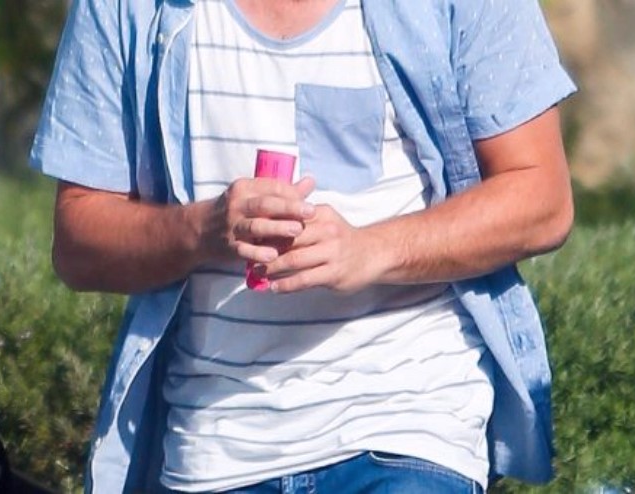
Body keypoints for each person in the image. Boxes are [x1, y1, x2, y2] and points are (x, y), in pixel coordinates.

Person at [30, 0, 576, 492]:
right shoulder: (126, 9)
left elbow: (541, 198)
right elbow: (79, 243)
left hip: (411, 422)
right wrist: (203, 230)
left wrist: (372, 250)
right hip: (213, 446)